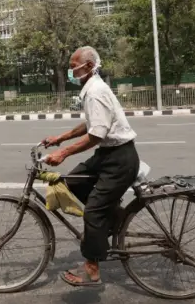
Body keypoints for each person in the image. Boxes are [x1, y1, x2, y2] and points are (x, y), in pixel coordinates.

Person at [42, 46, 140, 287]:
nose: (71, 70)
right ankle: (114, 219)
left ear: (87, 66)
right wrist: (60, 138)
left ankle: (92, 268)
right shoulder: (91, 89)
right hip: (108, 155)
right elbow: (89, 123)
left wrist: (63, 152)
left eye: (74, 65)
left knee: (94, 211)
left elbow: (96, 134)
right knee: (74, 181)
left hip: (119, 159)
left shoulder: (95, 91)